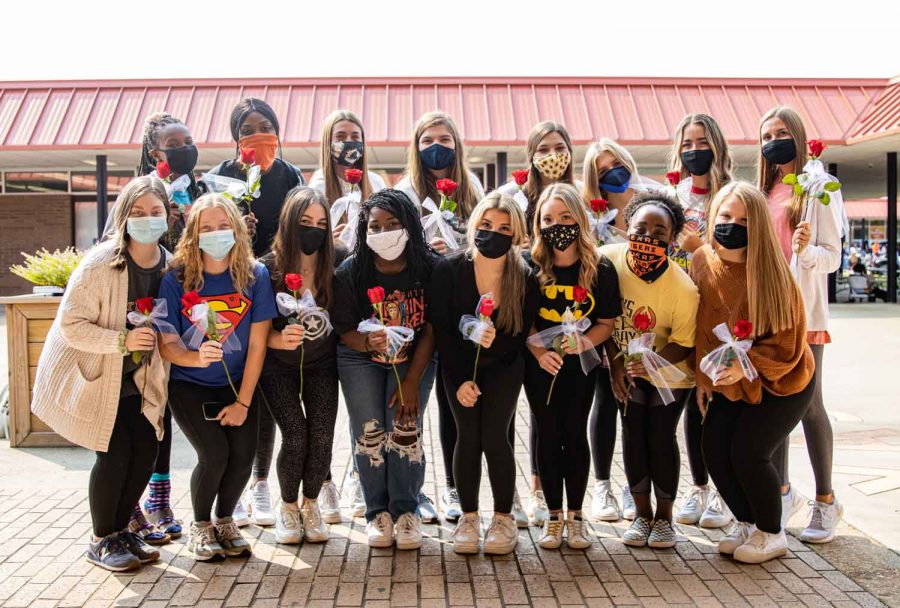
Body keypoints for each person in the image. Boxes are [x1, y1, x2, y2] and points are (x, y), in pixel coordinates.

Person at [32, 176, 172, 571]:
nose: (147, 219)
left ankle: (122, 530)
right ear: (124, 217)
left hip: (138, 380)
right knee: (114, 455)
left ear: (167, 215)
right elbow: (70, 325)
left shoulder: (170, 265)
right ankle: (101, 538)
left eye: (155, 212)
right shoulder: (100, 263)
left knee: (146, 451)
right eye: (138, 212)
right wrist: (121, 342)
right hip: (95, 372)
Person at [693, 181, 815, 563]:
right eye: (725, 216)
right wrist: (704, 377)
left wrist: (744, 369)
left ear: (759, 225)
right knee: (713, 449)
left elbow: (788, 345)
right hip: (727, 379)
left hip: (783, 381)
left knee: (749, 451)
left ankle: (771, 532)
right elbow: (700, 324)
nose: (732, 225)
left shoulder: (774, 274)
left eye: (744, 220)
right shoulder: (701, 262)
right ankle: (746, 522)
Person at [204, 97, 305, 527]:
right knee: (239, 386)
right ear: (235, 136)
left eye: (265, 125)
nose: (257, 133)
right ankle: (242, 485)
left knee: (269, 385)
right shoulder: (221, 177)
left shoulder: (289, 174)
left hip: (277, 289)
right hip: (231, 290)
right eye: (248, 127)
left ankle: (266, 482)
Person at [157, 194, 276, 561]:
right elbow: (167, 346)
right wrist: (195, 357)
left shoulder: (255, 275)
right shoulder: (177, 278)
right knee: (214, 454)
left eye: (224, 226)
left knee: (242, 456)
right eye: (206, 227)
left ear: (238, 230)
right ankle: (200, 525)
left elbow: (258, 345)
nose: (216, 233)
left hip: (238, 383)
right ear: (193, 234)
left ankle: (225, 520)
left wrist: (243, 401)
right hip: (190, 384)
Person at [430, 192, 541, 555]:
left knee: (495, 437)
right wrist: (461, 380)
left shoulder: (524, 276)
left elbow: (519, 335)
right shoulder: (448, 269)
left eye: (505, 228)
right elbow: (444, 332)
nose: (494, 233)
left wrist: (494, 344)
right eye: (487, 225)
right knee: (467, 436)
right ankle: (469, 517)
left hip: (505, 368)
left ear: (518, 235)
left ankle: (504, 518)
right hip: (458, 368)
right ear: (474, 225)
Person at [330, 189, 438, 550]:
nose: (384, 232)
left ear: (410, 224)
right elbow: (344, 330)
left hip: (414, 358)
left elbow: (432, 329)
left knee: (405, 429)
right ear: (364, 231)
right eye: (375, 226)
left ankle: (407, 510)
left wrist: (410, 381)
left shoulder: (428, 267)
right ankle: (378, 511)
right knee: (370, 430)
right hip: (360, 358)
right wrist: (367, 343)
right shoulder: (351, 271)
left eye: (393, 224)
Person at [757, 106, 844, 542]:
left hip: (805, 314)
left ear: (799, 135)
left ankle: (826, 501)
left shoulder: (819, 187)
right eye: (767, 134)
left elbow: (832, 256)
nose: (774, 140)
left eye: (782, 132)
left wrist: (807, 251)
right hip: (770, 314)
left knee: (809, 404)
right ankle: (783, 491)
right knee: (776, 404)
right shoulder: (766, 189)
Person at [394, 111, 484, 524]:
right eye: (427, 138)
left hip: (459, 302)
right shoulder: (405, 190)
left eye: (444, 138)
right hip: (414, 305)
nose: (436, 145)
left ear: (457, 144)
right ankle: (411, 491)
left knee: (453, 398)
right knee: (413, 398)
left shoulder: (472, 188)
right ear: (416, 146)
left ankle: (453, 485)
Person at [524, 183, 620, 550]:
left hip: (581, 366)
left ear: (580, 219)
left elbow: (606, 322)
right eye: (548, 219)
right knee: (547, 435)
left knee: (574, 434)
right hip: (542, 367)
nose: (557, 225)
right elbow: (524, 321)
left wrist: (584, 342)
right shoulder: (530, 266)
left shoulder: (600, 269)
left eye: (565, 217)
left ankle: (577, 516)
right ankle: (552, 516)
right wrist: (538, 352)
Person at [602, 189, 699, 549]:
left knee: (659, 435)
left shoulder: (683, 288)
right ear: (627, 226)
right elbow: (601, 318)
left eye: (660, 233)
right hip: (623, 365)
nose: (649, 238)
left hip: (670, 368)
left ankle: (665, 518)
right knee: (632, 432)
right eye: (641, 228)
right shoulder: (607, 262)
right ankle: (641, 514)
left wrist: (649, 363)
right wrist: (618, 365)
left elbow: (685, 342)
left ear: (672, 239)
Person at [308, 109, 386, 521]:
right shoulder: (317, 185)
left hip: (367, 298)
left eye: (356, 134)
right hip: (327, 298)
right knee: (326, 403)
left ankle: (361, 474)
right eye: (341, 135)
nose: (349, 142)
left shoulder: (378, 184)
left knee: (363, 402)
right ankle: (323, 483)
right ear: (328, 141)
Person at [257, 187, 340, 544]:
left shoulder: (336, 265)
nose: (314, 230)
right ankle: (287, 506)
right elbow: (255, 330)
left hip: (322, 364)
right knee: (295, 435)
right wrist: (278, 339)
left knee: (321, 434)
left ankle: (310, 504)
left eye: (321, 223)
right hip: (278, 367)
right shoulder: (266, 269)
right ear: (290, 222)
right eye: (306, 222)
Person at [666, 113, 736, 530]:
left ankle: (724, 493)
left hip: (722, 311)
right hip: (682, 308)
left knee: (719, 400)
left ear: (717, 146)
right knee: (691, 398)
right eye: (687, 143)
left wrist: (700, 247)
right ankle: (699, 487)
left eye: (702, 142)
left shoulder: (732, 196)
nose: (695, 150)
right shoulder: (672, 195)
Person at [497, 121, 583, 236]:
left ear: (569, 151)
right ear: (531, 156)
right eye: (543, 150)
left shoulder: (582, 192)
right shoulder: (510, 194)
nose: (553, 156)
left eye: (560, 148)